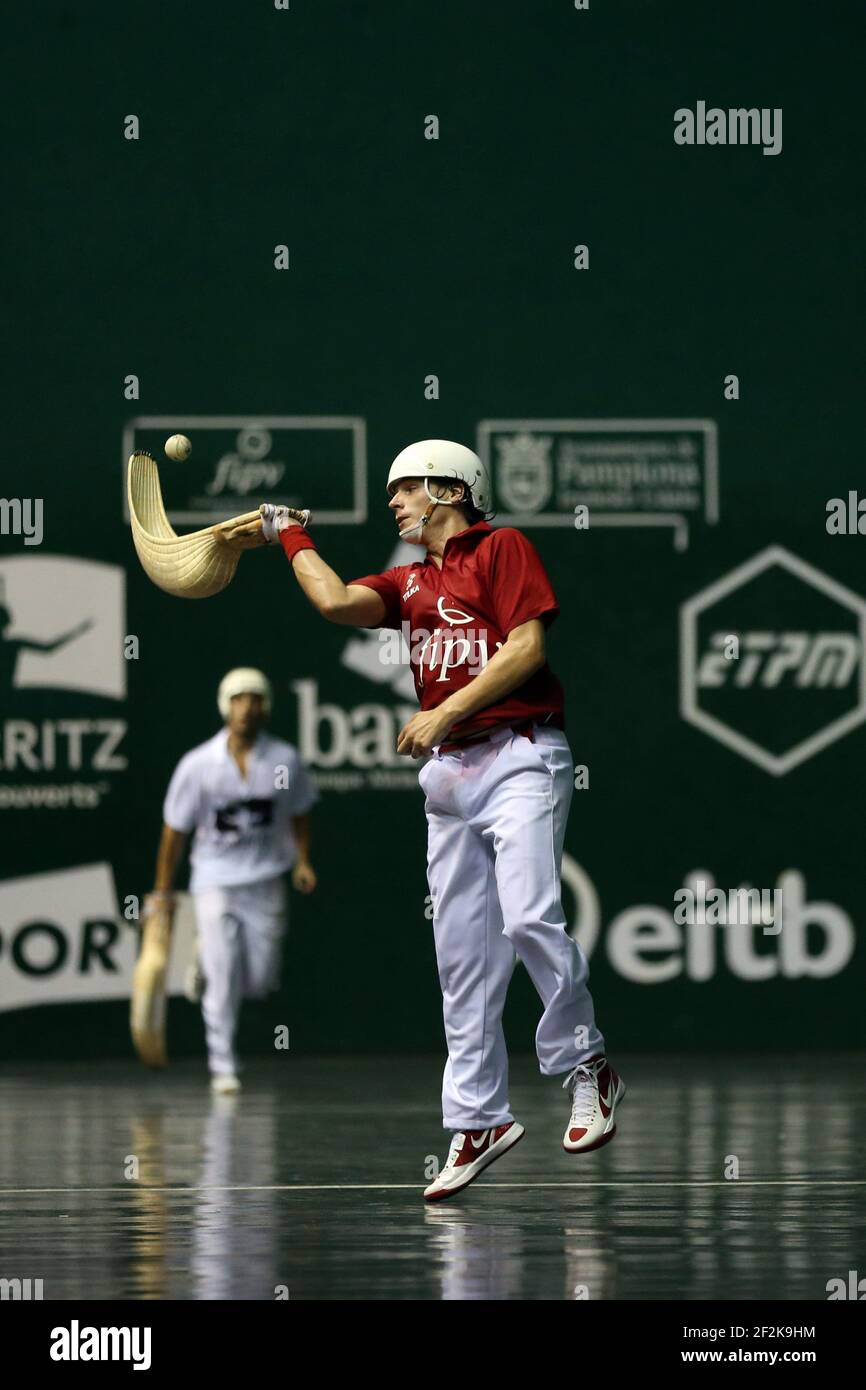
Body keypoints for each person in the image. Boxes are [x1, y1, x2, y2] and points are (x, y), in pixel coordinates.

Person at [226, 440, 624, 1198]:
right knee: (461, 959)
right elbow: (336, 601)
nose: (393, 503)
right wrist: (288, 533)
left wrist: (443, 711)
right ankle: (479, 1119)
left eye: (403, 490)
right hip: (450, 779)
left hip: (519, 755)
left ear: (449, 490)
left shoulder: (500, 547)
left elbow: (528, 647)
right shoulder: (409, 582)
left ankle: (588, 1068)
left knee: (532, 918)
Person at [150, 667, 319, 1093]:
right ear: (226, 706)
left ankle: (205, 958)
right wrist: (163, 892)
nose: (247, 707)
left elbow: (300, 813)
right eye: (239, 699)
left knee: (258, 980)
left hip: (266, 881)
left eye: (255, 699)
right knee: (224, 979)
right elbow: (174, 832)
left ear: (266, 707)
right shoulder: (197, 765)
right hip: (214, 881)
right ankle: (223, 1064)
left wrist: (303, 861)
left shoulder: (284, 760)